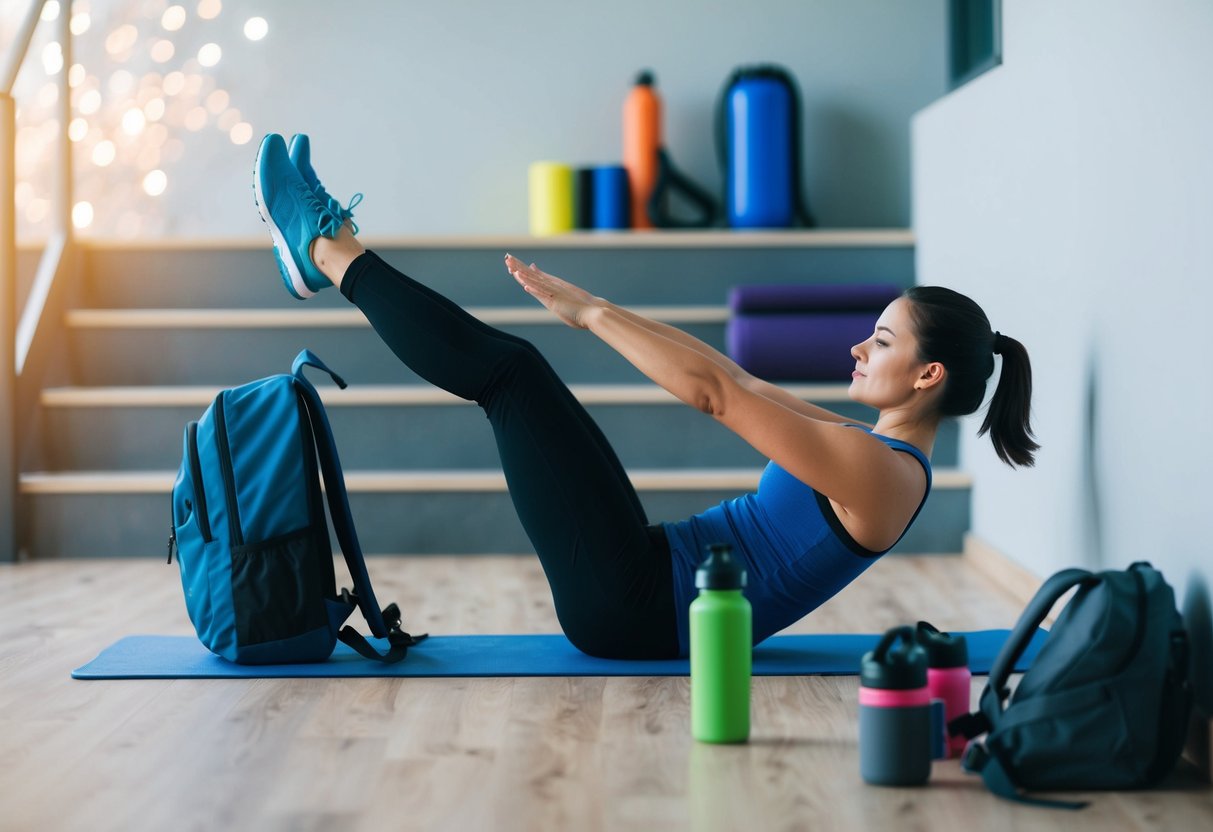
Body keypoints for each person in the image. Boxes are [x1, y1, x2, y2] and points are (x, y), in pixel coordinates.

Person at [253, 133, 1039, 660]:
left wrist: (593, 316)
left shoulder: (887, 477)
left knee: (509, 377)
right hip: (648, 569)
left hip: (634, 604)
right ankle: (328, 250)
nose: (859, 348)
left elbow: (716, 401)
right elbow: (739, 380)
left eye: (883, 341)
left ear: (928, 375)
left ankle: (327, 250)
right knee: (517, 372)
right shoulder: (869, 449)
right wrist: (595, 306)